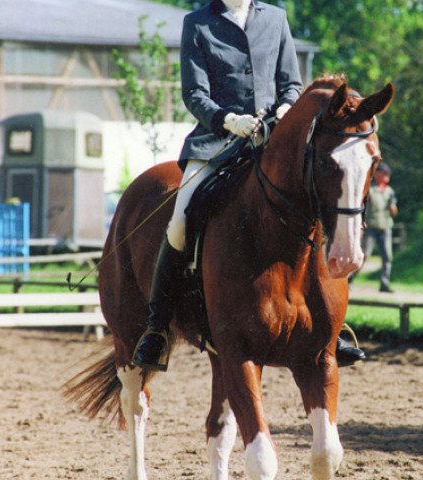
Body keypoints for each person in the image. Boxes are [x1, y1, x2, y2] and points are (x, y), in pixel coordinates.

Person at [132, 0, 365, 371]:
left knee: (316, 208)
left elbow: (290, 83)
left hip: (272, 142)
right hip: (215, 142)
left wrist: (288, 109)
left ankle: (328, 327)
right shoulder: (198, 23)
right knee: (179, 219)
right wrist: (226, 119)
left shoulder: (275, 19)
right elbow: (194, 93)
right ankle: (157, 328)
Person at [364, 162, 398, 292]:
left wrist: (393, 209)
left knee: (387, 256)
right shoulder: (369, 189)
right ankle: (350, 279)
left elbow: (394, 211)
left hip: (385, 228)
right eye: (384, 173)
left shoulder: (390, 192)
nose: (387, 176)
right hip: (371, 227)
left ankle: (384, 284)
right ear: (377, 174)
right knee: (365, 254)